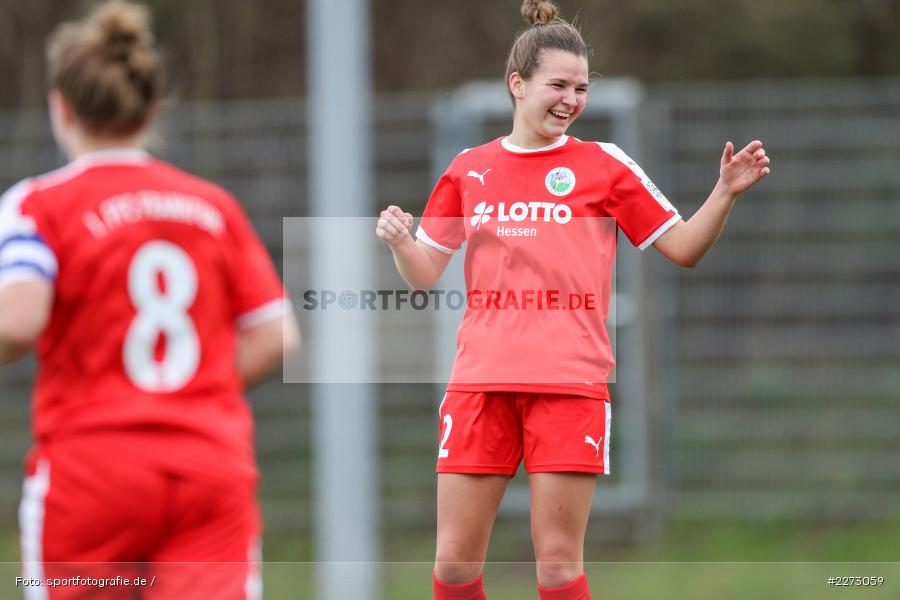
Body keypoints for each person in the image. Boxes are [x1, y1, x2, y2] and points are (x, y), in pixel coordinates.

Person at [375, 1, 770, 598]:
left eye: (581, 88)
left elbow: (685, 247)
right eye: (557, 84)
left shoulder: (603, 165)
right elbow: (425, 272)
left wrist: (724, 191)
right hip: (479, 384)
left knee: (557, 566)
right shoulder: (469, 169)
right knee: (454, 566)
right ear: (518, 84)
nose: (571, 99)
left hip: (568, 385)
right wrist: (403, 242)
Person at [0, 2, 300, 598]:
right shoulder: (213, 206)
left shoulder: (38, 204)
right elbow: (276, 336)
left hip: (92, 474)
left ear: (62, 109)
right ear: (153, 109)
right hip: (207, 468)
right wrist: (188, 395)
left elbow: (19, 321)